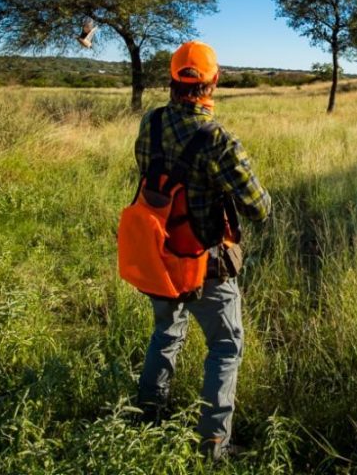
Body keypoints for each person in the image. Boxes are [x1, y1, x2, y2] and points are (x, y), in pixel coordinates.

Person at [133, 41, 271, 459]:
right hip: (203, 262)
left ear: (172, 79)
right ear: (215, 81)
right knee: (226, 346)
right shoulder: (218, 139)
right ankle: (213, 445)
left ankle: (147, 414)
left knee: (166, 331)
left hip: (158, 253)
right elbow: (258, 208)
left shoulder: (151, 123)